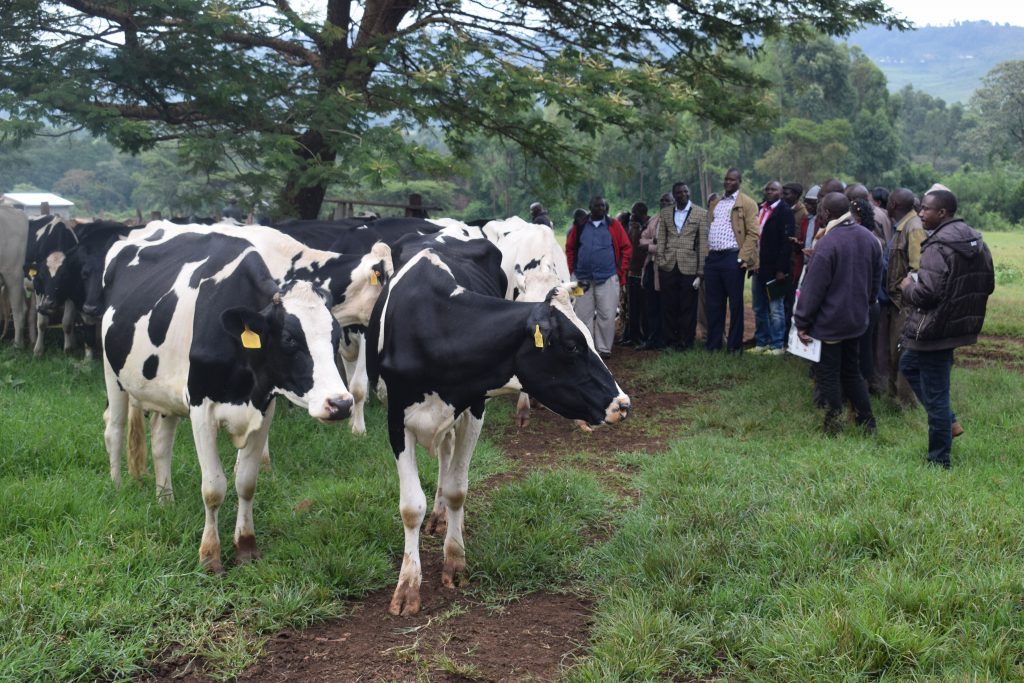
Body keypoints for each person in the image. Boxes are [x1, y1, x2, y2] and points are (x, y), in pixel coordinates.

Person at [898, 189, 994, 468]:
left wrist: (907, 287)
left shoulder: (937, 246)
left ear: (942, 213)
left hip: (934, 329)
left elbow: (926, 294)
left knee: (937, 394)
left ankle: (939, 460)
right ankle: (949, 421)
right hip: (955, 325)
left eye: (926, 209)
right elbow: (987, 284)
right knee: (908, 364)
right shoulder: (976, 239)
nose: (920, 214)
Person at [794, 192, 881, 435]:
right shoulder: (870, 238)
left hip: (830, 322)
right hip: (856, 320)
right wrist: (865, 303)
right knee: (852, 371)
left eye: (821, 211)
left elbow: (813, 289)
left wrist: (802, 321)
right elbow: (876, 280)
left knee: (829, 374)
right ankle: (868, 423)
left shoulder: (828, 243)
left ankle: (834, 426)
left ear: (826, 214)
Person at [565, 196, 632, 359]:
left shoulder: (614, 225)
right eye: (597, 205)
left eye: (603, 205)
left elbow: (626, 248)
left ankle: (603, 349)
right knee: (581, 314)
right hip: (580, 278)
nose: (601, 208)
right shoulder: (580, 225)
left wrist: (619, 272)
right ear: (590, 207)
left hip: (608, 277)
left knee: (607, 314)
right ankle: (586, 347)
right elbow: (570, 248)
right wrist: (572, 271)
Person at [705, 168, 759, 352]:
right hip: (713, 258)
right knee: (713, 304)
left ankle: (735, 347)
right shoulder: (716, 203)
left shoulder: (747, 203)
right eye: (726, 179)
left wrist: (741, 258)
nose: (728, 182)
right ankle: (713, 345)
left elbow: (753, 233)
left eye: (732, 180)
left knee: (735, 304)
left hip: (732, 258)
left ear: (739, 182)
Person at [881, 188, 924, 407]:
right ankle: (893, 396)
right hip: (896, 301)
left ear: (895, 204)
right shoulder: (903, 225)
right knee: (893, 350)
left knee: (902, 351)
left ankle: (907, 402)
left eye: (889, 201)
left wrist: (906, 291)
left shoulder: (914, 227)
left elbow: (917, 268)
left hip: (905, 302)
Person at [656, 182, 710, 351]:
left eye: (685, 191)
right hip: (668, 265)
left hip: (690, 266)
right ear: (674, 195)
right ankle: (670, 341)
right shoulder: (665, 213)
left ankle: (686, 342)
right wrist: (661, 260)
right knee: (668, 305)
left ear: (689, 193)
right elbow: (661, 239)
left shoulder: (701, 213)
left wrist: (701, 270)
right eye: (678, 192)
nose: (682, 195)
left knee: (688, 306)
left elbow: (702, 243)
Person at [751, 181, 794, 354]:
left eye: (773, 189)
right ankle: (762, 342)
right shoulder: (759, 208)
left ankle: (777, 345)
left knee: (776, 309)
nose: (769, 191)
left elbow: (786, 244)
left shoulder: (785, 212)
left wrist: (781, 269)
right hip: (758, 267)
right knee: (759, 307)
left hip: (775, 269)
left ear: (780, 192)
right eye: (767, 189)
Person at [637, 194, 671, 350]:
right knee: (650, 305)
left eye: (667, 201)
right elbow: (641, 240)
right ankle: (652, 339)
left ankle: (665, 340)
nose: (664, 203)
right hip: (650, 267)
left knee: (666, 305)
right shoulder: (654, 219)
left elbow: (670, 246)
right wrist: (654, 242)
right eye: (662, 201)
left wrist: (650, 246)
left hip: (666, 268)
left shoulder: (676, 221)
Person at [620, 202, 649, 346]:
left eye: (633, 212)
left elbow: (637, 249)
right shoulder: (635, 227)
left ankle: (640, 336)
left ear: (638, 212)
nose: (632, 215)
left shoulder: (644, 227)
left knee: (642, 307)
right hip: (633, 272)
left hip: (640, 272)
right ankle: (633, 336)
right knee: (633, 307)